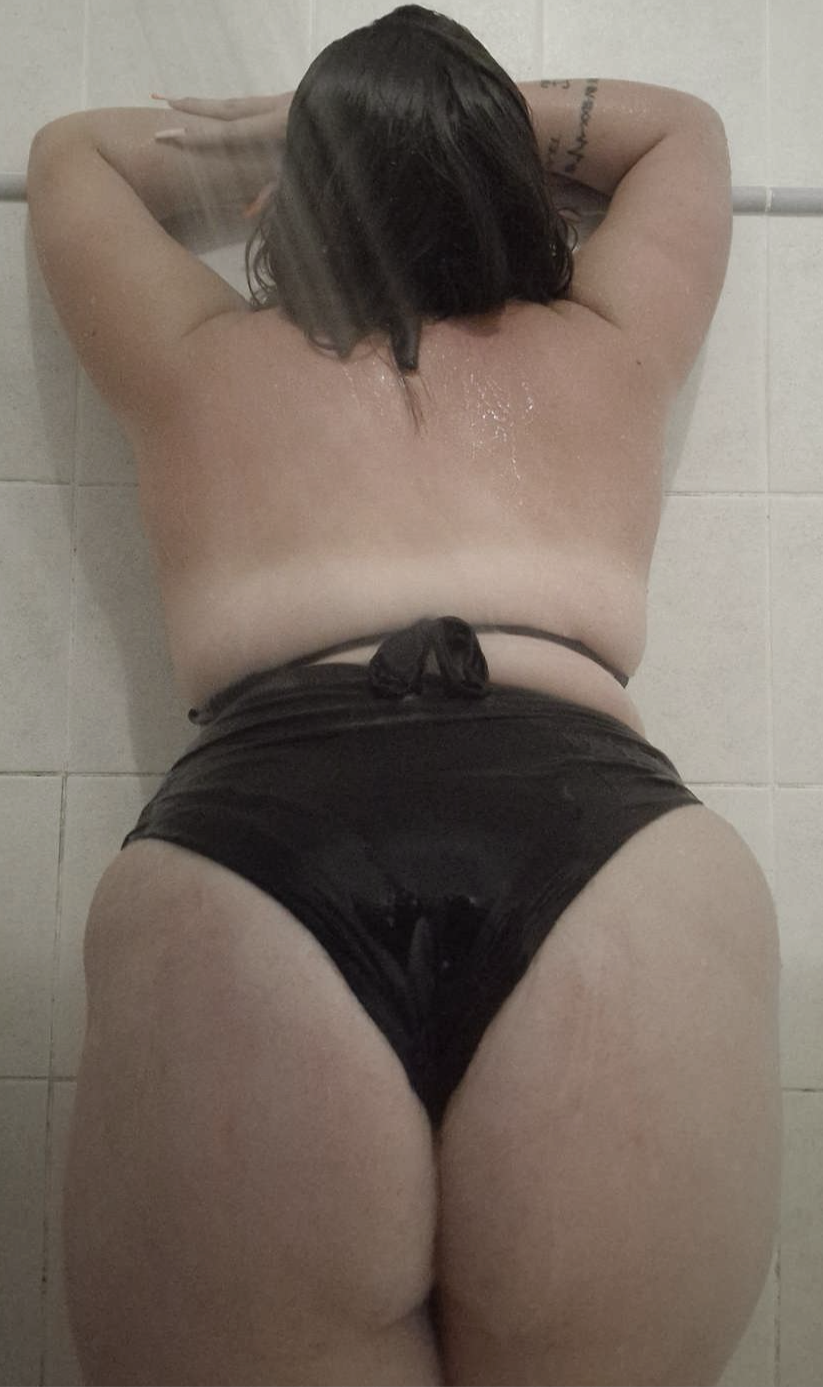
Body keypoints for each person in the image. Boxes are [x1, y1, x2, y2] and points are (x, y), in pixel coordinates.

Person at [27, 7, 781, 1385]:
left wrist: (321, 125)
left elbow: (71, 155)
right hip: (605, 848)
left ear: (296, 198)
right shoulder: (610, 340)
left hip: (259, 836)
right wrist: (446, 117)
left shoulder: (196, 356)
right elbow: (683, 132)